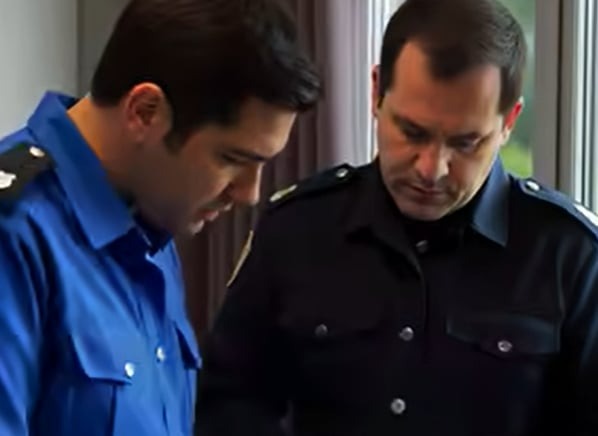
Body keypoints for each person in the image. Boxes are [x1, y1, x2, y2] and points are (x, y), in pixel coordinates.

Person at [196, 0, 598, 434]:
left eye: (465, 143)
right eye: (412, 132)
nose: (431, 169)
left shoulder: (570, 256)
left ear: (508, 123)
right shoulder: (297, 229)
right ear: (376, 93)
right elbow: (227, 406)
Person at [0, 0, 320, 434]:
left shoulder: (151, 219)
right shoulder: (16, 232)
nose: (249, 194)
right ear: (145, 112)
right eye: (231, 159)